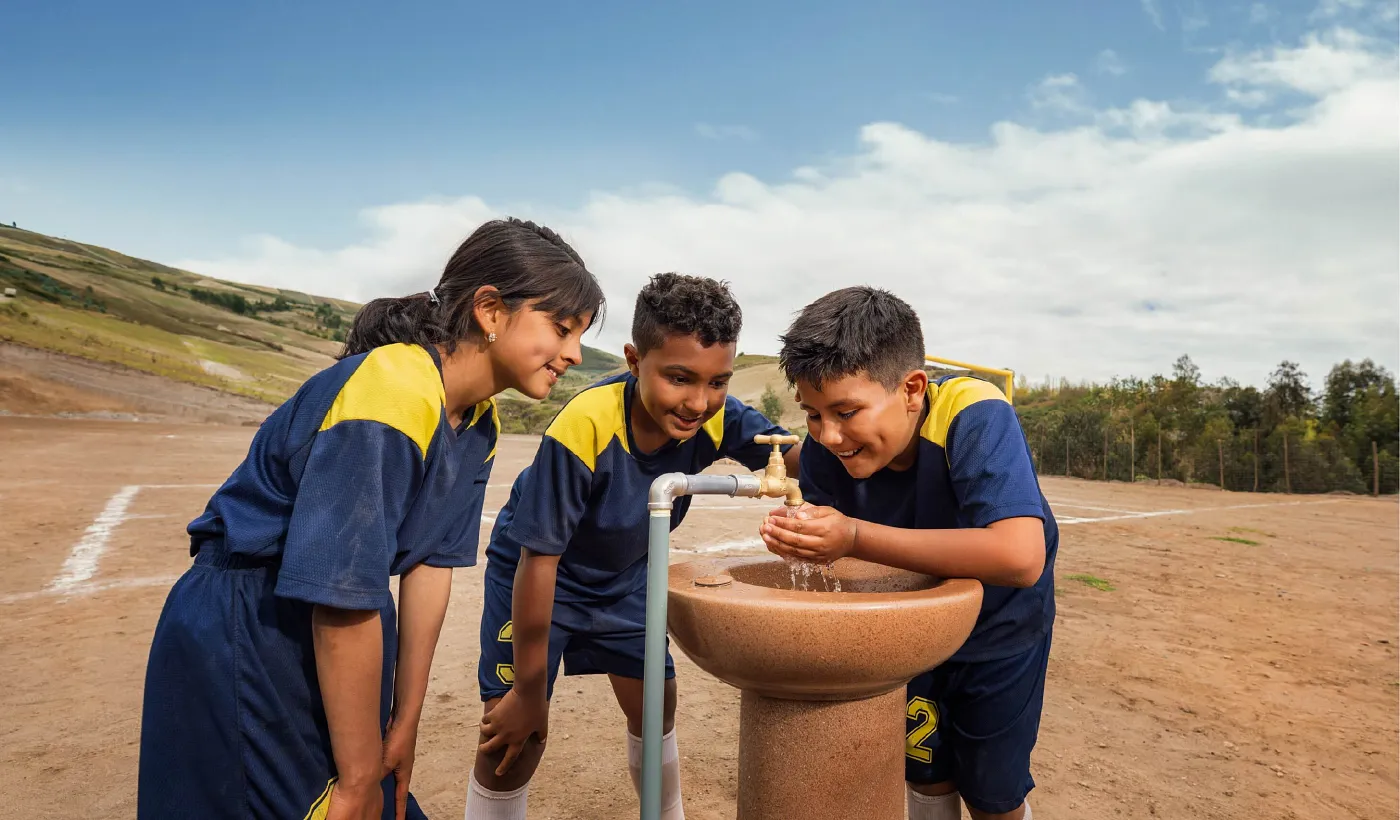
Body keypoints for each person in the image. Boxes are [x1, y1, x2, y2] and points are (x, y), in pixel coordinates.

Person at [137, 218, 605, 820]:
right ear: (490, 310)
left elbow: (431, 569)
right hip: (251, 624)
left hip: (339, 625)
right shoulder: (395, 386)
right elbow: (340, 594)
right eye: (561, 329)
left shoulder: (478, 424)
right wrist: (358, 778)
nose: (572, 353)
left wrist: (401, 724)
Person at [465, 273, 800, 819]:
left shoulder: (719, 417)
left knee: (655, 707)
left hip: (623, 577)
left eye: (718, 382)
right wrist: (528, 691)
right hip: (538, 574)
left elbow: (797, 464)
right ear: (633, 359)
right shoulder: (585, 426)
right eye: (678, 377)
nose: (698, 401)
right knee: (515, 735)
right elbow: (538, 559)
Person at [758, 286, 1057, 820]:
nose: (828, 434)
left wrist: (851, 536)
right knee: (925, 772)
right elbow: (834, 550)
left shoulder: (973, 414)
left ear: (913, 389)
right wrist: (804, 542)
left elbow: (1019, 556)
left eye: (847, 411)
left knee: (993, 790)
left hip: (996, 634)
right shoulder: (828, 446)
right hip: (906, 631)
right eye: (812, 413)